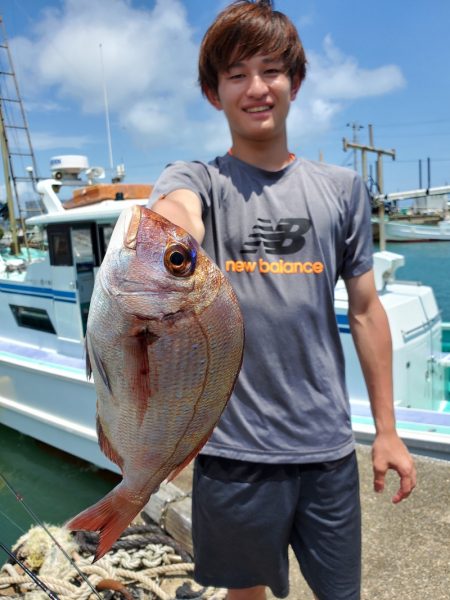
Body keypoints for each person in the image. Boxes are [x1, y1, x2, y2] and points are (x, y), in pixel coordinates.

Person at [148, 1, 416, 598]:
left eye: (271, 70)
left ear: (295, 82)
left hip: (326, 449)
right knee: (246, 594)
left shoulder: (342, 189)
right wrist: (171, 240)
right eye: (236, 74)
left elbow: (367, 310)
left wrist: (388, 432)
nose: (256, 87)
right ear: (214, 94)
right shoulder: (200, 180)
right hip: (233, 452)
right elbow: (175, 212)